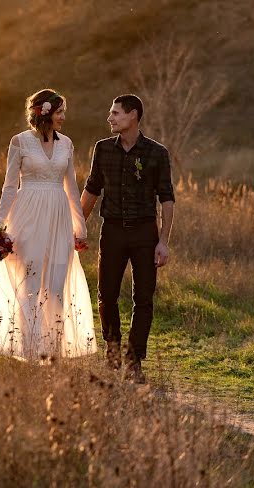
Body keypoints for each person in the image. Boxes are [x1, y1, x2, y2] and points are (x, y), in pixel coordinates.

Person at [0, 89, 96, 361]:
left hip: (59, 218)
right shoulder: (20, 142)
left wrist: (80, 227)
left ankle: (53, 351)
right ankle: (29, 352)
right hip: (27, 216)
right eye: (59, 112)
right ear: (44, 113)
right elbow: (10, 186)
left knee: (57, 284)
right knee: (30, 283)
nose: (63, 118)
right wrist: (0, 226)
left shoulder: (67, 144)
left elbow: (72, 187)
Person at [81, 94, 175, 383]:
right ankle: (112, 354)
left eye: (116, 113)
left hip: (146, 232)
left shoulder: (157, 153)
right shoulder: (102, 149)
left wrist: (163, 241)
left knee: (143, 298)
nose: (110, 118)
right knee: (106, 295)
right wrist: (76, 228)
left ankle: (134, 362)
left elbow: (167, 199)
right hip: (113, 231)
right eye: (111, 114)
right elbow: (92, 190)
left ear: (133, 115)